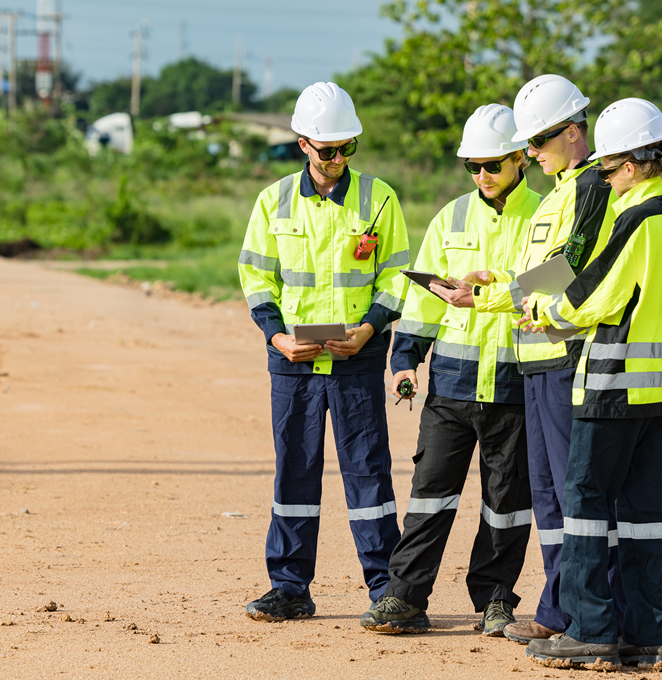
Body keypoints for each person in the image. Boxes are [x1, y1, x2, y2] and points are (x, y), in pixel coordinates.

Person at [520, 97, 662, 670]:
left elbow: (595, 293)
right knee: (648, 513)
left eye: (611, 169)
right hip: (659, 390)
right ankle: (649, 636)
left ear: (634, 163)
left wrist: (542, 313)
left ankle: (591, 627)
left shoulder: (636, 219)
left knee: (586, 503)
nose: (608, 180)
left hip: (612, 386)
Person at [359, 105, 538, 636]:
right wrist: (405, 359)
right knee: (429, 495)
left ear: (520, 159)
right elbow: (426, 300)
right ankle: (404, 597)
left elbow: (560, 279)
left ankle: (496, 599)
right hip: (454, 385)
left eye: (492, 165)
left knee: (506, 505)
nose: (481, 176)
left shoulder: (548, 215)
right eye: (472, 167)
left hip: (517, 383)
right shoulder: (450, 217)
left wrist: (497, 289)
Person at [237, 81, 410, 622]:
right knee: (295, 472)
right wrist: (275, 334)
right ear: (302, 144)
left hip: (357, 355)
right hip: (293, 361)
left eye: (347, 148)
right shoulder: (274, 200)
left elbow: (396, 275)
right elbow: (256, 277)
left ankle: (387, 589)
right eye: (328, 149)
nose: (338, 160)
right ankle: (289, 587)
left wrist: (369, 327)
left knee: (368, 474)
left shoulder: (379, 198)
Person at [467, 75, 624, 643]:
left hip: (566, 359)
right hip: (535, 359)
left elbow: (567, 267)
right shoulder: (559, 192)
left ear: (575, 132)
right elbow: (542, 273)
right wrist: (500, 283)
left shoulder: (592, 187)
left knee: (572, 491)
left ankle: (585, 613)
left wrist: (487, 297)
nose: (530, 153)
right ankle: (560, 608)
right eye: (529, 144)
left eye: (540, 141)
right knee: (548, 495)